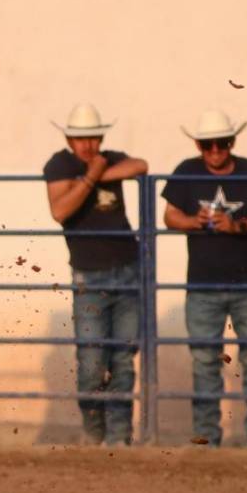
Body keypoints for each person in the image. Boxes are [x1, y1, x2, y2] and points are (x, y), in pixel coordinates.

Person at [162, 110, 247, 447]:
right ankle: (208, 439)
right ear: (198, 145)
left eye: (222, 143)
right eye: (208, 144)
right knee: (204, 363)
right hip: (203, 285)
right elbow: (170, 216)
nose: (215, 150)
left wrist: (237, 226)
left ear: (232, 141)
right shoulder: (186, 172)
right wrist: (194, 221)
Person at [41, 103, 147, 446]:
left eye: (92, 138)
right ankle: (94, 430)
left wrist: (95, 172)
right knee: (90, 361)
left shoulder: (109, 157)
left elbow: (141, 166)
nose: (87, 145)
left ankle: (118, 437)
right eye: (80, 139)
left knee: (123, 360)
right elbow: (60, 210)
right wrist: (92, 176)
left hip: (127, 270)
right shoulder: (60, 164)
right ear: (69, 139)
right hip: (90, 275)